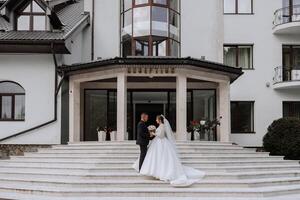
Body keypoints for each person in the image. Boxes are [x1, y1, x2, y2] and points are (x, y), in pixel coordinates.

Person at [133, 115, 205, 187]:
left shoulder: (162, 126)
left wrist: (153, 133)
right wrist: (152, 133)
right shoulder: (160, 125)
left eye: (156, 119)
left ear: (160, 120)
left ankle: (160, 173)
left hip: (161, 142)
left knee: (160, 157)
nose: (156, 121)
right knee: (157, 157)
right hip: (158, 142)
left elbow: (161, 135)